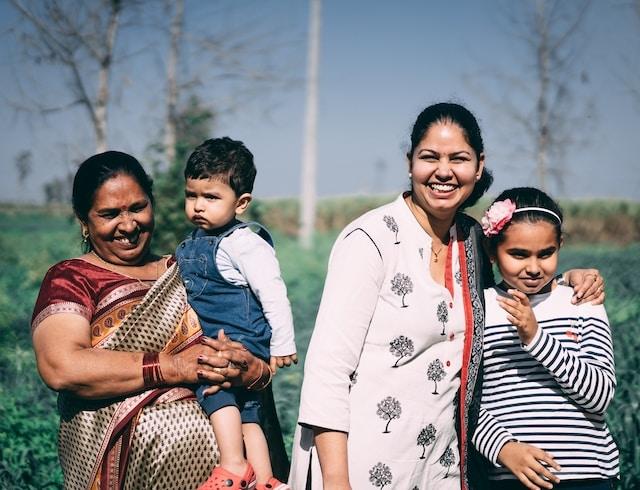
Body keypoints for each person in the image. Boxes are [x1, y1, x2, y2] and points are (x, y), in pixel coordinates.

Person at [288, 102, 605, 490]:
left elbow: (519, 281)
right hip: (360, 463)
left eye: (458, 158)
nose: (443, 171)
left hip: (440, 469)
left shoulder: (473, 240)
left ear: (478, 165)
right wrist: (337, 482)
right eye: (429, 157)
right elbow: (328, 371)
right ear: (410, 163)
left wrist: (571, 277)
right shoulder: (370, 240)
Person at [31, 151, 288, 490]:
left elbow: (254, 342)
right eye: (109, 214)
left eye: (138, 207)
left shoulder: (190, 270)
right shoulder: (73, 278)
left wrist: (253, 371)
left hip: (231, 474)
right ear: (84, 219)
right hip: (120, 471)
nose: (128, 225)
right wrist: (176, 367)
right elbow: (61, 366)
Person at [472, 187, 619, 490]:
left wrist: (535, 337)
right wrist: (502, 448)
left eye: (546, 253)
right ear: (491, 251)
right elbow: (463, 401)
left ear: (560, 245)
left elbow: (600, 398)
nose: (534, 268)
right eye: (518, 254)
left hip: (586, 477)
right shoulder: (479, 309)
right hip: (509, 477)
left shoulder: (583, 301)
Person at [175, 137, 296, 490]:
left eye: (211, 197)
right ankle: (265, 479)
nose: (198, 206)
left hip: (237, 337)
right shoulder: (198, 239)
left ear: (241, 203)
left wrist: (283, 343)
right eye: (192, 195)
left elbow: (273, 292)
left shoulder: (245, 243)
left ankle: (232, 466)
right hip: (230, 335)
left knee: (215, 388)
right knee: (249, 413)